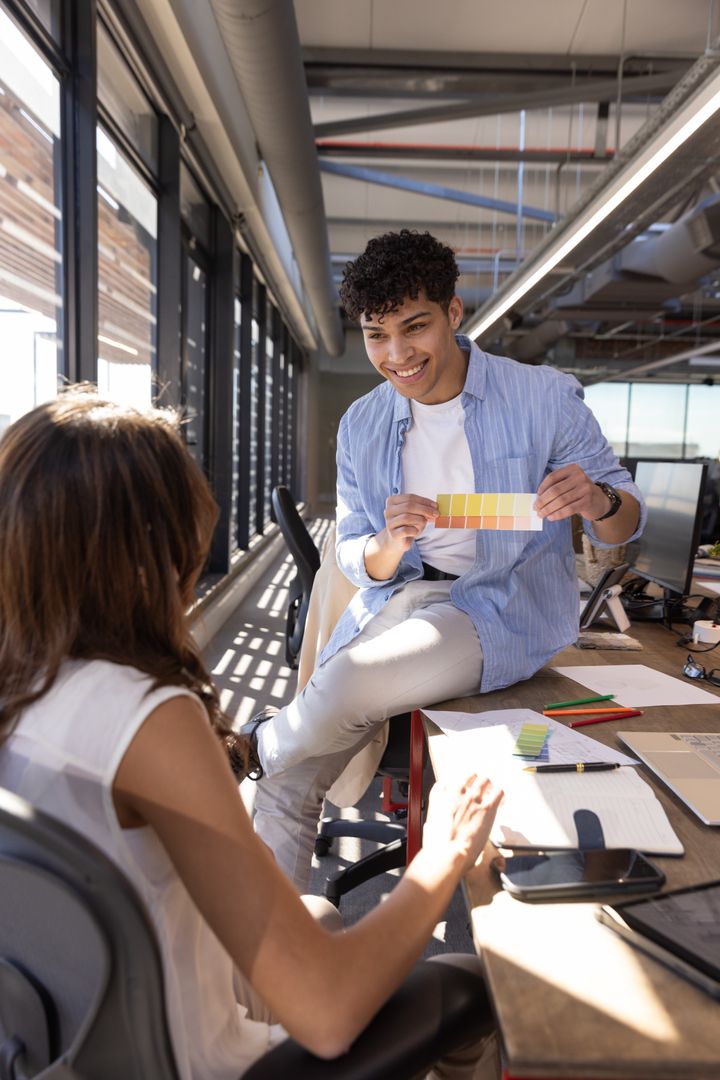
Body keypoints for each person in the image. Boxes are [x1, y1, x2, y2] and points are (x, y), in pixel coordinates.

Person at [0, 390, 503, 1080]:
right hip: (195, 1064)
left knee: (323, 916)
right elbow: (326, 1012)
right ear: (155, 552)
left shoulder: (21, 685)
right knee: (468, 984)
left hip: (69, 1040)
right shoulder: (146, 716)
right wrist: (443, 851)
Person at [247, 229, 646, 889]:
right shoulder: (362, 424)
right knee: (285, 784)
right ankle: (268, 990)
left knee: (341, 687)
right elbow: (352, 555)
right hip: (396, 600)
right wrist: (385, 545)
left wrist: (598, 500)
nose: (398, 354)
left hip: (492, 607)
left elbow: (623, 526)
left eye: (416, 327)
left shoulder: (544, 398)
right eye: (377, 335)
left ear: (454, 314)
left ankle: (254, 743)